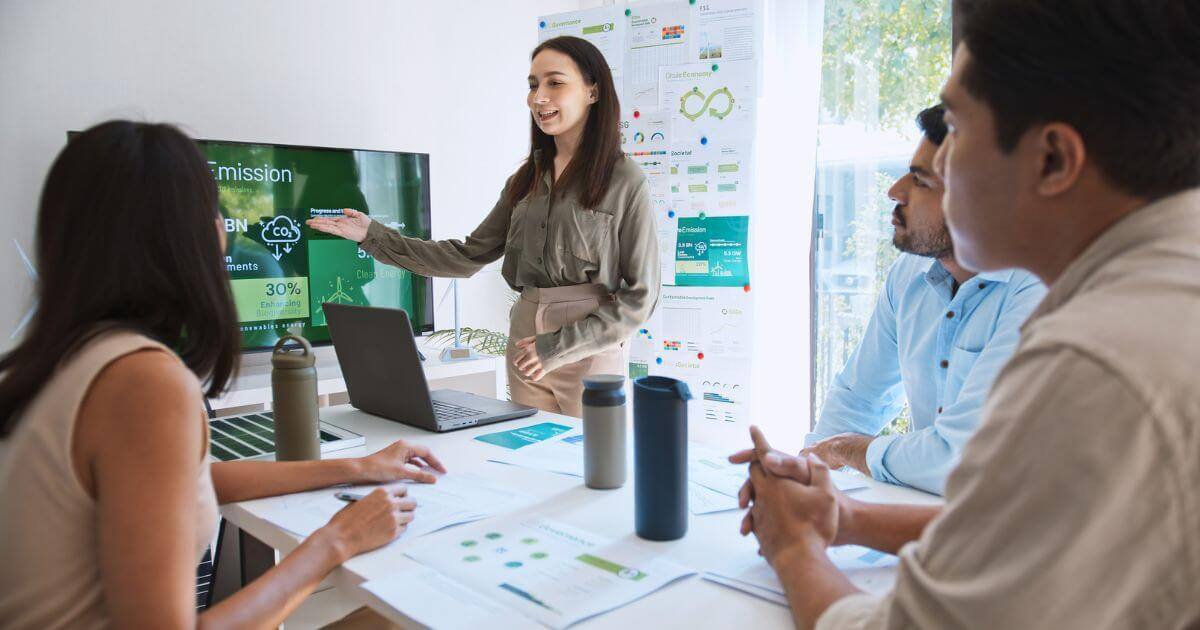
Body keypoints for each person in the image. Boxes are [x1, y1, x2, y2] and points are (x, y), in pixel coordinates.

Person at [734, 0, 1200, 627]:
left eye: (956, 125)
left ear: (1053, 159)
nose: (934, 168)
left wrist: (793, 544)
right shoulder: (1157, 283)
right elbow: (1029, 527)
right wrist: (844, 517)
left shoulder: (1094, 358)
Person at [0, 121, 447, 629]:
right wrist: (336, 541)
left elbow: (190, 479)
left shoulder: (63, 358)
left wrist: (358, 467)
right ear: (204, 235)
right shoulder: (142, 381)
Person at [307, 36, 659, 418]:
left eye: (554, 83)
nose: (538, 98)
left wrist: (557, 347)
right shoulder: (524, 180)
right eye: (532, 85)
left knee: (594, 467)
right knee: (530, 462)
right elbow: (467, 256)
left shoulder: (624, 179)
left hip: (587, 350)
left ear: (593, 91)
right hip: (525, 341)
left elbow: (642, 295)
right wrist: (372, 236)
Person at [803, 105, 1044, 495]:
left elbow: (958, 456)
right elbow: (860, 395)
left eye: (921, 181)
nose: (895, 191)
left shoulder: (1035, 291)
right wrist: (804, 469)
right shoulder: (909, 275)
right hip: (931, 519)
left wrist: (845, 450)